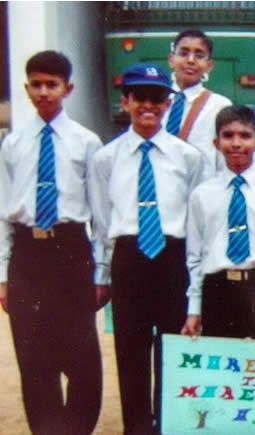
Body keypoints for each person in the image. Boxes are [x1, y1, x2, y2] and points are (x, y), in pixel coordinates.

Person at [89, 63, 209, 434]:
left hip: (173, 258)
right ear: (126, 101)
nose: (148, 106)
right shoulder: (107, 158)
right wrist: (102, 274)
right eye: (140, 97)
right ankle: (137, 427)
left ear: (167, 104)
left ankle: (169, 425)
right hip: (130, 258)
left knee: (173, 349)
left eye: (157, 98)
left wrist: (195, 278)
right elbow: (102, 221)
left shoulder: (187, 157)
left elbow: (198, 220)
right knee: (131, 351)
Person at [0, 50, 103, 435]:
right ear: (27, 89)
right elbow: (4, 210)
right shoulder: (13, 144)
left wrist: (101, 270)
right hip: (28, 254)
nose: (44, 92)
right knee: (32, 352)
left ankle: (77, 428)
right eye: (37, 85)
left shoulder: (86, 143)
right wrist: (4, 274)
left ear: (67, 88)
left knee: (80, 352)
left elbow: (99, 214)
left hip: (71, 250)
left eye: (52, 85)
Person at [181, 105, 255, 342]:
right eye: (228, 135)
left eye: (245, 136)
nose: (236, 143)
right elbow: (194, 257)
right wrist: (194, 309)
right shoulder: (201, 195)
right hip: (217, 290)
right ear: (216, 143)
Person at [163, 29, 233, 172]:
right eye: (183, 53)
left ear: (209, 66)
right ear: (171, 60)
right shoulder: (156, 101)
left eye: (199, 55)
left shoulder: (220, 106)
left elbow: (224, 161)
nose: (190, 60)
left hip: (199, 191)